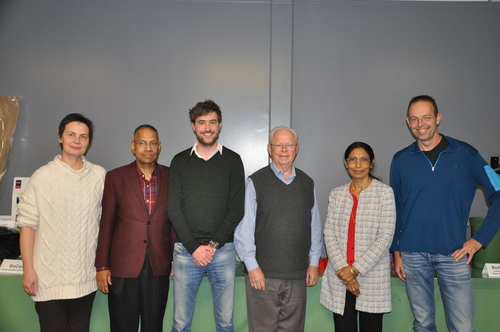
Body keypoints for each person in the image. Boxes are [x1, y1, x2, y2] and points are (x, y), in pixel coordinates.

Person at [390, 95, 500, 332]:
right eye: (414, 119)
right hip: (412, 255)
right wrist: (397, 251)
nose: (421, 124)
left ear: (438, 118)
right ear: (408, 122)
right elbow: (397, 209)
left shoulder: (467, 154)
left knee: (462, 326)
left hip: (454, 254)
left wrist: (479, 240)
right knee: (423, 324)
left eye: (426, 117)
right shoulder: (400, 160)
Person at [17, 113, 106, 332]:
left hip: (85, 279)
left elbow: (107, 223)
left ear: (89, 142)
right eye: (71, 134)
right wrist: (28, 269)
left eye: (83, 136)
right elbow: (27, 225)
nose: (77, 140)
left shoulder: (99, 176)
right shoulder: (42, 177)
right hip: (48, 279)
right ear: (60, 137)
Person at [234, 126, 323, 332]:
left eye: (289, 145)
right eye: (278, 145)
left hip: (298, 275)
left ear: (297, 148)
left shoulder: (307, 183)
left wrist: (313, 262)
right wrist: (252, 266)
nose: (284, 149)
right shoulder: (255, 182)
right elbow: (244, 229)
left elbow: (315, 226)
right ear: (269, 148)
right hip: (263, 275)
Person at [168, 99, 245, 332]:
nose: (207, 127)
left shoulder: (233, 160)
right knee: (180, 324)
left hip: (222, 252)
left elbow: (236, 209)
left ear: (220, 125)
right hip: (185, 252)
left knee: (225, 323)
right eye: (202, 122)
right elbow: (173, 209)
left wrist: (212, 245)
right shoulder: (180, 161)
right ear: (193, 126)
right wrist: (194, 247)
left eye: (212, 122)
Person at [95, 124, 175, 332]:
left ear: (159, 147)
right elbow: (107, 225)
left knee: (153, 326)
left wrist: (176, 258)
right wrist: (102, 266)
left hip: (158, 265)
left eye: (152, 143)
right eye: (142, 143)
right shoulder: (115, 178)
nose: (148, 148)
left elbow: (174, 222)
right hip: (123, 267)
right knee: (123, 326)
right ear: (133, 146)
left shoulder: (172, 177)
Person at [320, 142, 396, 332]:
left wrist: (355, 270)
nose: (358, 164)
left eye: (364, 160)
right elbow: (329, 234)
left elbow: (385, 237)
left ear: (372, 163)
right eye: (353, 159)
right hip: (340, 277)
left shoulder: (384, 193)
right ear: (346, 163)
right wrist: (345, 273)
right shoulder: (337, 194)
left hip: (371, 277)